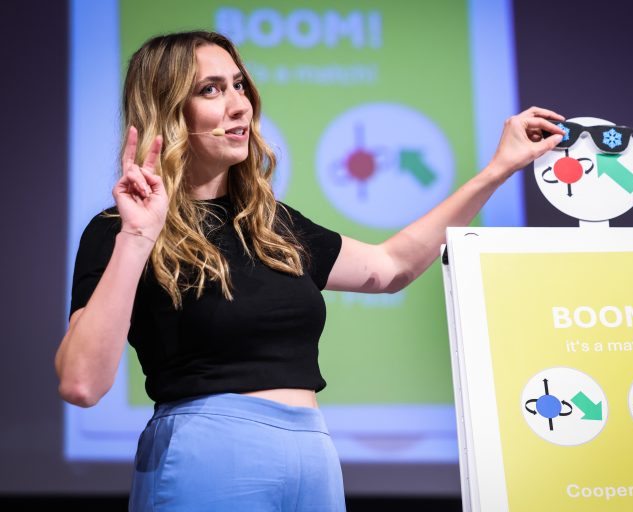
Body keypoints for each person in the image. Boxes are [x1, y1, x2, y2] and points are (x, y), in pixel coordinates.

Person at [55, 31, 564, 511]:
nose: (239, 105)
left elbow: (390, 268)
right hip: (208, 456)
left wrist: (498, 169)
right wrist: (139, 237)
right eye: (211, 90)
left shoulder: (270, 223)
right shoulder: (120, 230)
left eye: (239, 85)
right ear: (169, 111)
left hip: (311, 455)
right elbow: (82, 383)